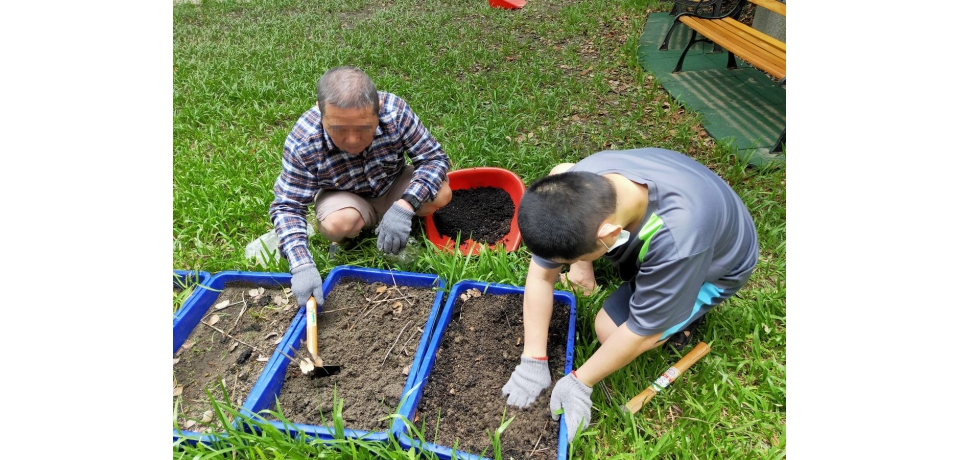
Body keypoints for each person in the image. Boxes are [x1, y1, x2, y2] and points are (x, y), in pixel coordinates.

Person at [501, 147, 758, 442]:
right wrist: (533, 358)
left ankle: (682, 313)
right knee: (559, 170)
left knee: (609, 331)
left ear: (609, 236)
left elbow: (641, 331)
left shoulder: (679, 243)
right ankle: (588, 267)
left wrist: (580, 382)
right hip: (677, 203)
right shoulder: (582, 180)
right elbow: (540, 275)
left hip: (714, 267)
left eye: (567, 262)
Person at [269, 66, 452, 307]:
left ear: (378, 109)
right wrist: (301, 265)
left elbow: (433, 159)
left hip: (392, 183)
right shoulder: (304, 140)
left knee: (441, 193)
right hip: (344, 196)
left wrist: (406, 205)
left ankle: (400, 219)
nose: (353, 140)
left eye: (364, 128)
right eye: (338, 129)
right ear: (321, 112)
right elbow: (287, 207)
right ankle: (351, 235)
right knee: (338, 225)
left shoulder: (395, 111)